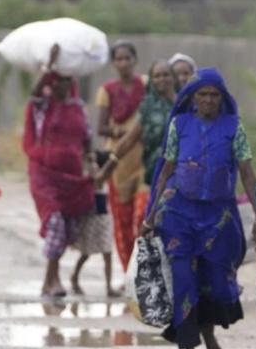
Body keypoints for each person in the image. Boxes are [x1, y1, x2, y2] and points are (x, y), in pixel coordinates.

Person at [141, 68, 256, 349]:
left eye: (214, 95)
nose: (208, 100)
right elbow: (166, 170)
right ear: (192, 97)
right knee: (184, 279)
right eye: (202, 94)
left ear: (222, 98)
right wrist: (151, 215)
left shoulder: (233, 127)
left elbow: (247, 174)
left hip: (218, 218)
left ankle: (208, 332)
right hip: (179, 215)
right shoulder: (179, 124)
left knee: (217, 283)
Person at [24, 45, 94, 298]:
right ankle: (52, 281)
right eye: (57, 80)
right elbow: (34, 93)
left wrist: (91, 162)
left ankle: (49, 281)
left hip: (72, 177)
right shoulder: (43, 105)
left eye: (66, 80)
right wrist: (50, 64)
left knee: (68, 228)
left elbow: (87, 138)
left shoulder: (78, 107)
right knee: (54, 223)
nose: (61, 85)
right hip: (44, 174)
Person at [96, 40, 147, 273]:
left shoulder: (146, 85)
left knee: (142, 215)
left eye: (128, 58)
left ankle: (147, 269)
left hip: (144, 159)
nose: (124, 63)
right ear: (113, 64)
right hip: (119, 161)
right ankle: (131, 275)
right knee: (123, 223)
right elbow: (101, 127)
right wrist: (126, 133)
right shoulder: (107, 91)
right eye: (119, 59)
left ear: (135, 60)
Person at [98, 59, 178, 190]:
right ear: (152, 81)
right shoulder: (148, 108)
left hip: (180, 174)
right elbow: (129, 140)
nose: (162, 79)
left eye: (166, 74)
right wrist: (106, 170)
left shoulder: (184, 106)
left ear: (174, 78)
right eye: (157, 76)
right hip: (154, 173)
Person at [70, 151, 117, 297]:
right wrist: (94, 160)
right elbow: (97, 173)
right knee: (86, 253)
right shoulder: (96, 180)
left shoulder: (106, 183)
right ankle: (74, 278)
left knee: (107, 253)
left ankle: (109, 287)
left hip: (104, 219)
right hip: (92, 219)